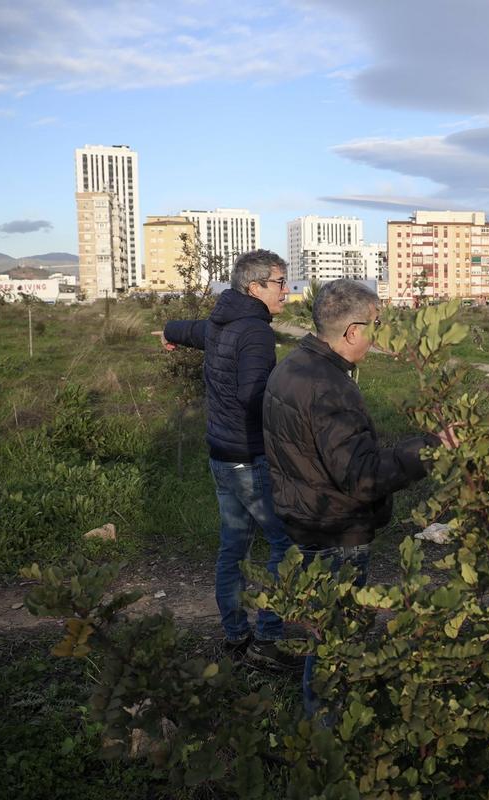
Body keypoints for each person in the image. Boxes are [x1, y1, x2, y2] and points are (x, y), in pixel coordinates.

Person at [262, 278, 456, 716]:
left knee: (323, 630)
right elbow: (362, 476)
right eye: (377, 325)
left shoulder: (292, 367)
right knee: (336, 638)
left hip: (305, 517)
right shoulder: (330, 386)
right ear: (352, 331)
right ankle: (330, 739)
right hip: (335, 529)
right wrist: (428, 449)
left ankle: (322, 722)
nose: (379, 335)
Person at [155, 250, 300, 671]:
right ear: (255, 287)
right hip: (249, 457)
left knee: (233, 547)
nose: (285, 292)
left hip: (221, 455)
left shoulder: (223, 321)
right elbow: (253, 396)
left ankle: (236, 636)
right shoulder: (254, 331)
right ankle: (267, 640)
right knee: (285, 542)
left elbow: (191, 330)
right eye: (279, 283)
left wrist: (168, 330)